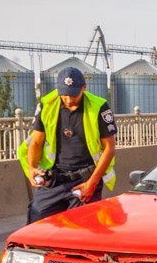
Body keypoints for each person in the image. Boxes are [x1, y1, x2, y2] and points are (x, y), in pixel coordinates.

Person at [19, 67, 118, 223]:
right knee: (37, 223)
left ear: (84, 88)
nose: (69, 100)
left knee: (82, 231)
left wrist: (91, 184)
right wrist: (32, 167)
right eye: (64, 95)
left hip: (85, 180)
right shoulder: (46, 105)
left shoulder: (99, 107)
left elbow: (109, 148)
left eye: (73, 95)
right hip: (54, 179)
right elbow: (36, 141)